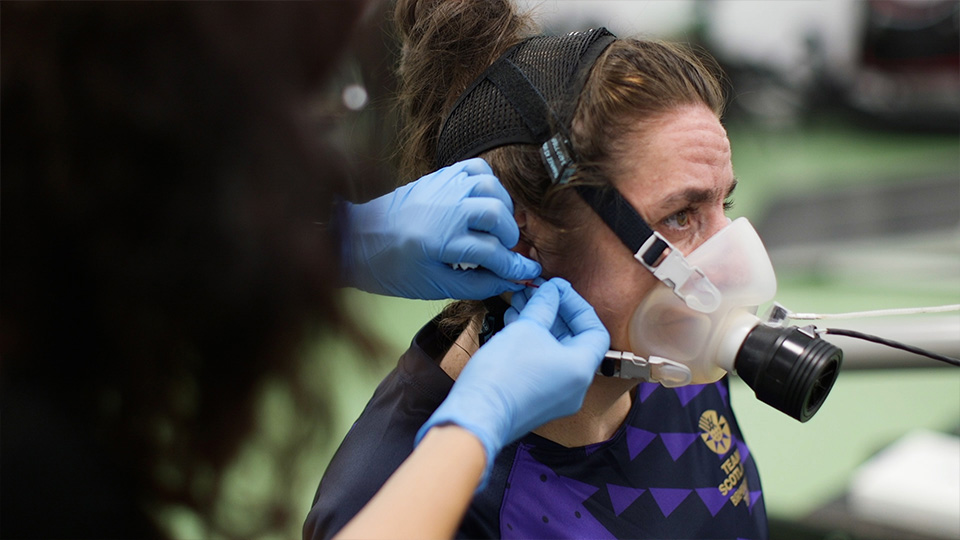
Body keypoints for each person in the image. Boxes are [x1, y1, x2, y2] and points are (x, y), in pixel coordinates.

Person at [0, 2, 609, 538]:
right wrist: (475, 423)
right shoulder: (42, 477)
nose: (313, 152)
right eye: (309, 103)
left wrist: (342, 242)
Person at [304, 0, 768, 539]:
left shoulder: (673, 358)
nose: (728, 269)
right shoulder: (383, 498)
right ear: (525, 237)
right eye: (680, 216)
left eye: (723, 205)